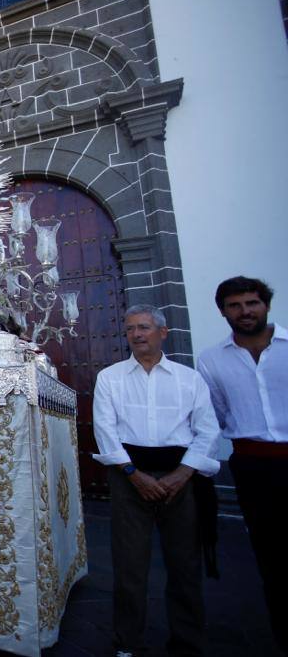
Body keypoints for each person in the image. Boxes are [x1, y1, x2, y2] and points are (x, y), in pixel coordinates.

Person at [92, 304, 220, 657]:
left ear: (163, 332)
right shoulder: (110, 377)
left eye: (145, 327)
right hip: (129, 477)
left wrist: (183, 472)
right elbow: (105, 430)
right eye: (131, 327)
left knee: (185, 564)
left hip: (182, 478)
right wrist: (134, 475)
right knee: (129, 564)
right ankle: (127, 641)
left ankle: (188, 641)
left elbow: (207, 429)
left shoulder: (189, 379)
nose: (137, 334)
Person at [197, 276, 288, 653]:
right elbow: (214, 415)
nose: (244, 311)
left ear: (266, 305)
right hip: (253, 466)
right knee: (272, 554)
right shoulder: (212, 359)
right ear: (222, 312)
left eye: (251, 303)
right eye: (234, 306)